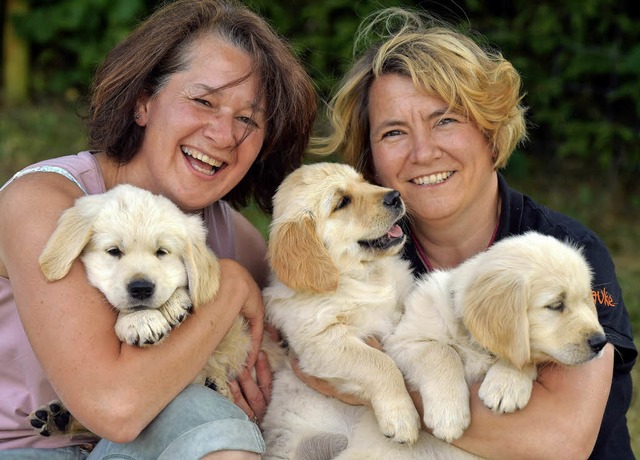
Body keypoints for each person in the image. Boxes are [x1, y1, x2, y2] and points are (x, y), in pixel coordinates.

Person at [311, 7, 637, 459]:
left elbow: (559, 440)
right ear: (370, 159)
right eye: (393, 133)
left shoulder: (565, 251)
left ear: (490, 130)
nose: (423, 152)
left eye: (445, 120)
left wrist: (371, 389)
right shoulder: (369, 256)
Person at [0, 0, 315, 458]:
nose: (224, 134)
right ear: (144, 102)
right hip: (24, 450)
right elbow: (115, 406)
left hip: (156, 444)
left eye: (247, 119)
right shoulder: (43, 203)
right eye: (204, 101)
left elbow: (307, 336)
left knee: (213, 421)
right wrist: (227, 285)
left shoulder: (235, 236)